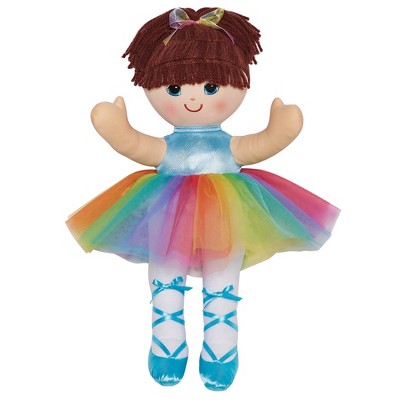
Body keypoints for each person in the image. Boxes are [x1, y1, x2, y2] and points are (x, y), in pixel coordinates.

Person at [66, 7, 340, 391]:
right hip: (166, 207)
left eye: (211, 87)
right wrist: (116, 129)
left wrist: (280, 129)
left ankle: (221, 343)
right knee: (165, 270)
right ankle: (167, 339)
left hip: (225, 210)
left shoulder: (227, 145)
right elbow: (138, 145)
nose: (193, 98)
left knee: (222, 273)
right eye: (175, 89)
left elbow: (258, 145)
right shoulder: (168, 147)